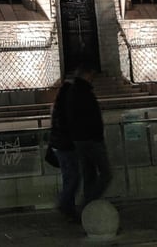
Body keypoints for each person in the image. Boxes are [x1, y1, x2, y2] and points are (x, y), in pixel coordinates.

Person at [65, 63, 111, 210]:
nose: (93, 78)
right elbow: (89, 116)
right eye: (91, 75)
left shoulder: (75, 91)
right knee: (106, 173)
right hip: (91, 139)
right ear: (86, 75)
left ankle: (88, 208)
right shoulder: (83, 91)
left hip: (81, 139)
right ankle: (87, 203)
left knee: (89, 173)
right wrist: (97, 135)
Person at [48, 73, 79, 222]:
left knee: (69, 177)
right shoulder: (67, 106)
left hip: (58, 146)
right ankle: (64, 203)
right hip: (66, 146)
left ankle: (68, 207)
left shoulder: (56, 105)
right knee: (73, 177)